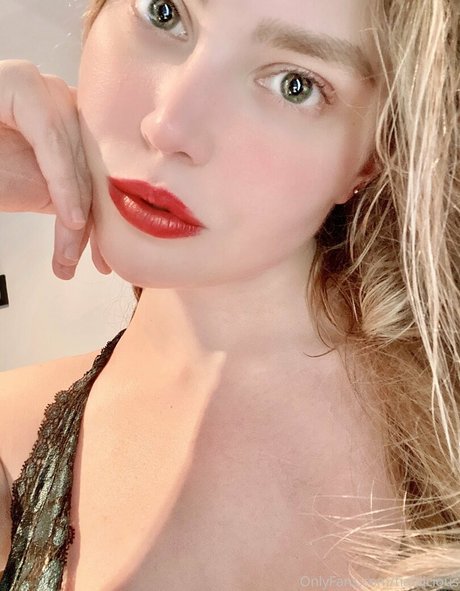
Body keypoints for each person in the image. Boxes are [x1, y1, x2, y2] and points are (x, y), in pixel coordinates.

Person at [0, 0, 458, 589]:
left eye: (295, 85)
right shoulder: (10, 431)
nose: (169, 127)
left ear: (373, 154)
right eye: (164, 12)